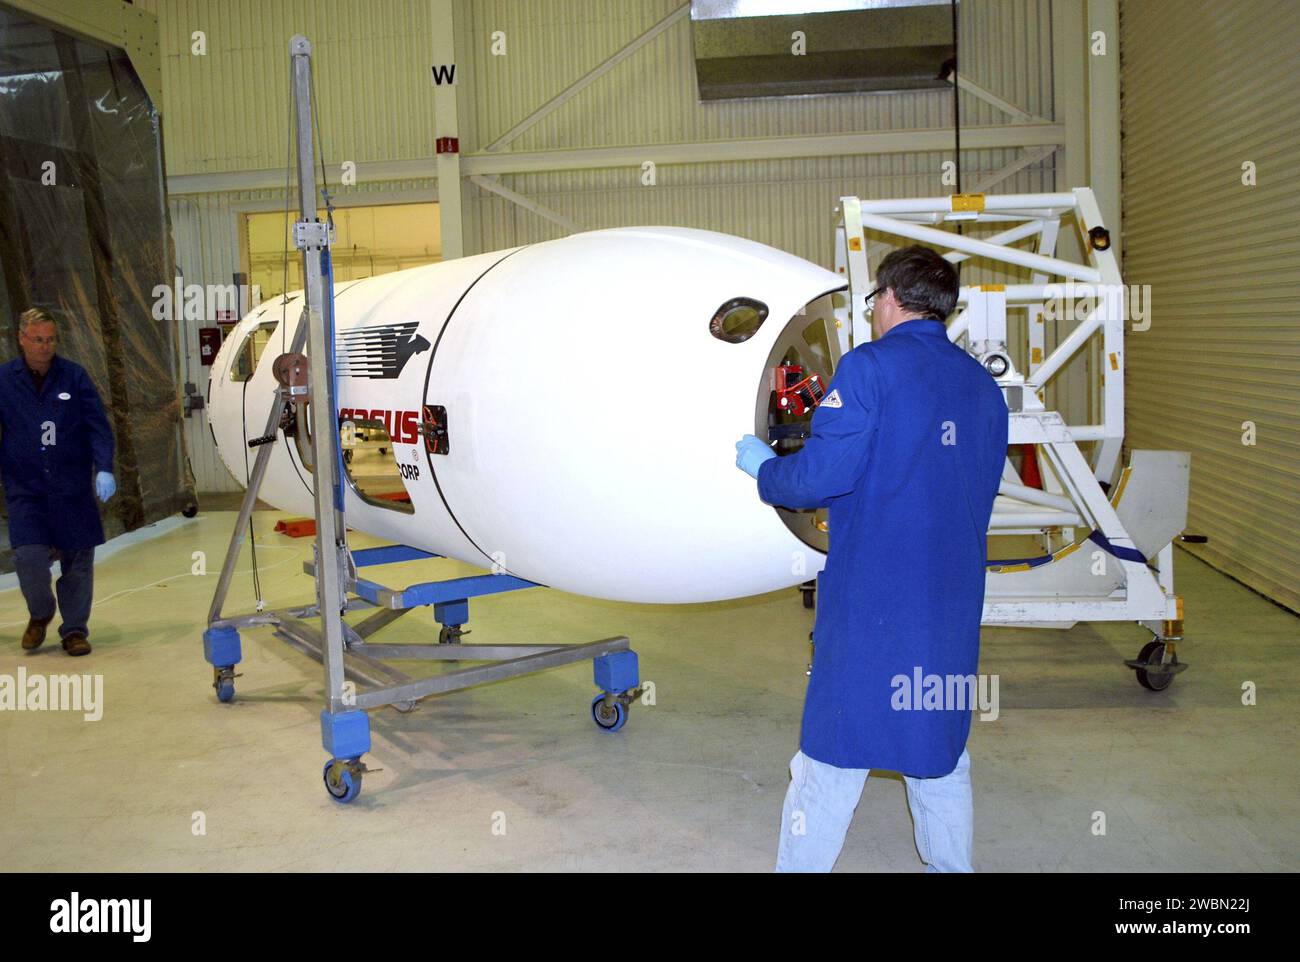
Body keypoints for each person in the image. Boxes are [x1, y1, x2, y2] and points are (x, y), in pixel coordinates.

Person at [734, 245, 1007, 872]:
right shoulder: (982, 388)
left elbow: (819, 479)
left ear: (888, 297)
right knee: (938, 760)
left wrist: (767, 470)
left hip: (872, 609)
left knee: (830, 758)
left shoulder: (868, 369)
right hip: (949, 608)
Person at [0, 308, 116, 656]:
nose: (45, 346)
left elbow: (97, 426)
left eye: (50, 340)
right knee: (28, 558)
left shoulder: (74, 377)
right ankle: (41, 613)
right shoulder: (5, 380)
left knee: (78, 562)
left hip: (71, 488)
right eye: (38, 339)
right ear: (21, 338)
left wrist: (105, 467)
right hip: (26, 490)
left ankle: (74, 631)